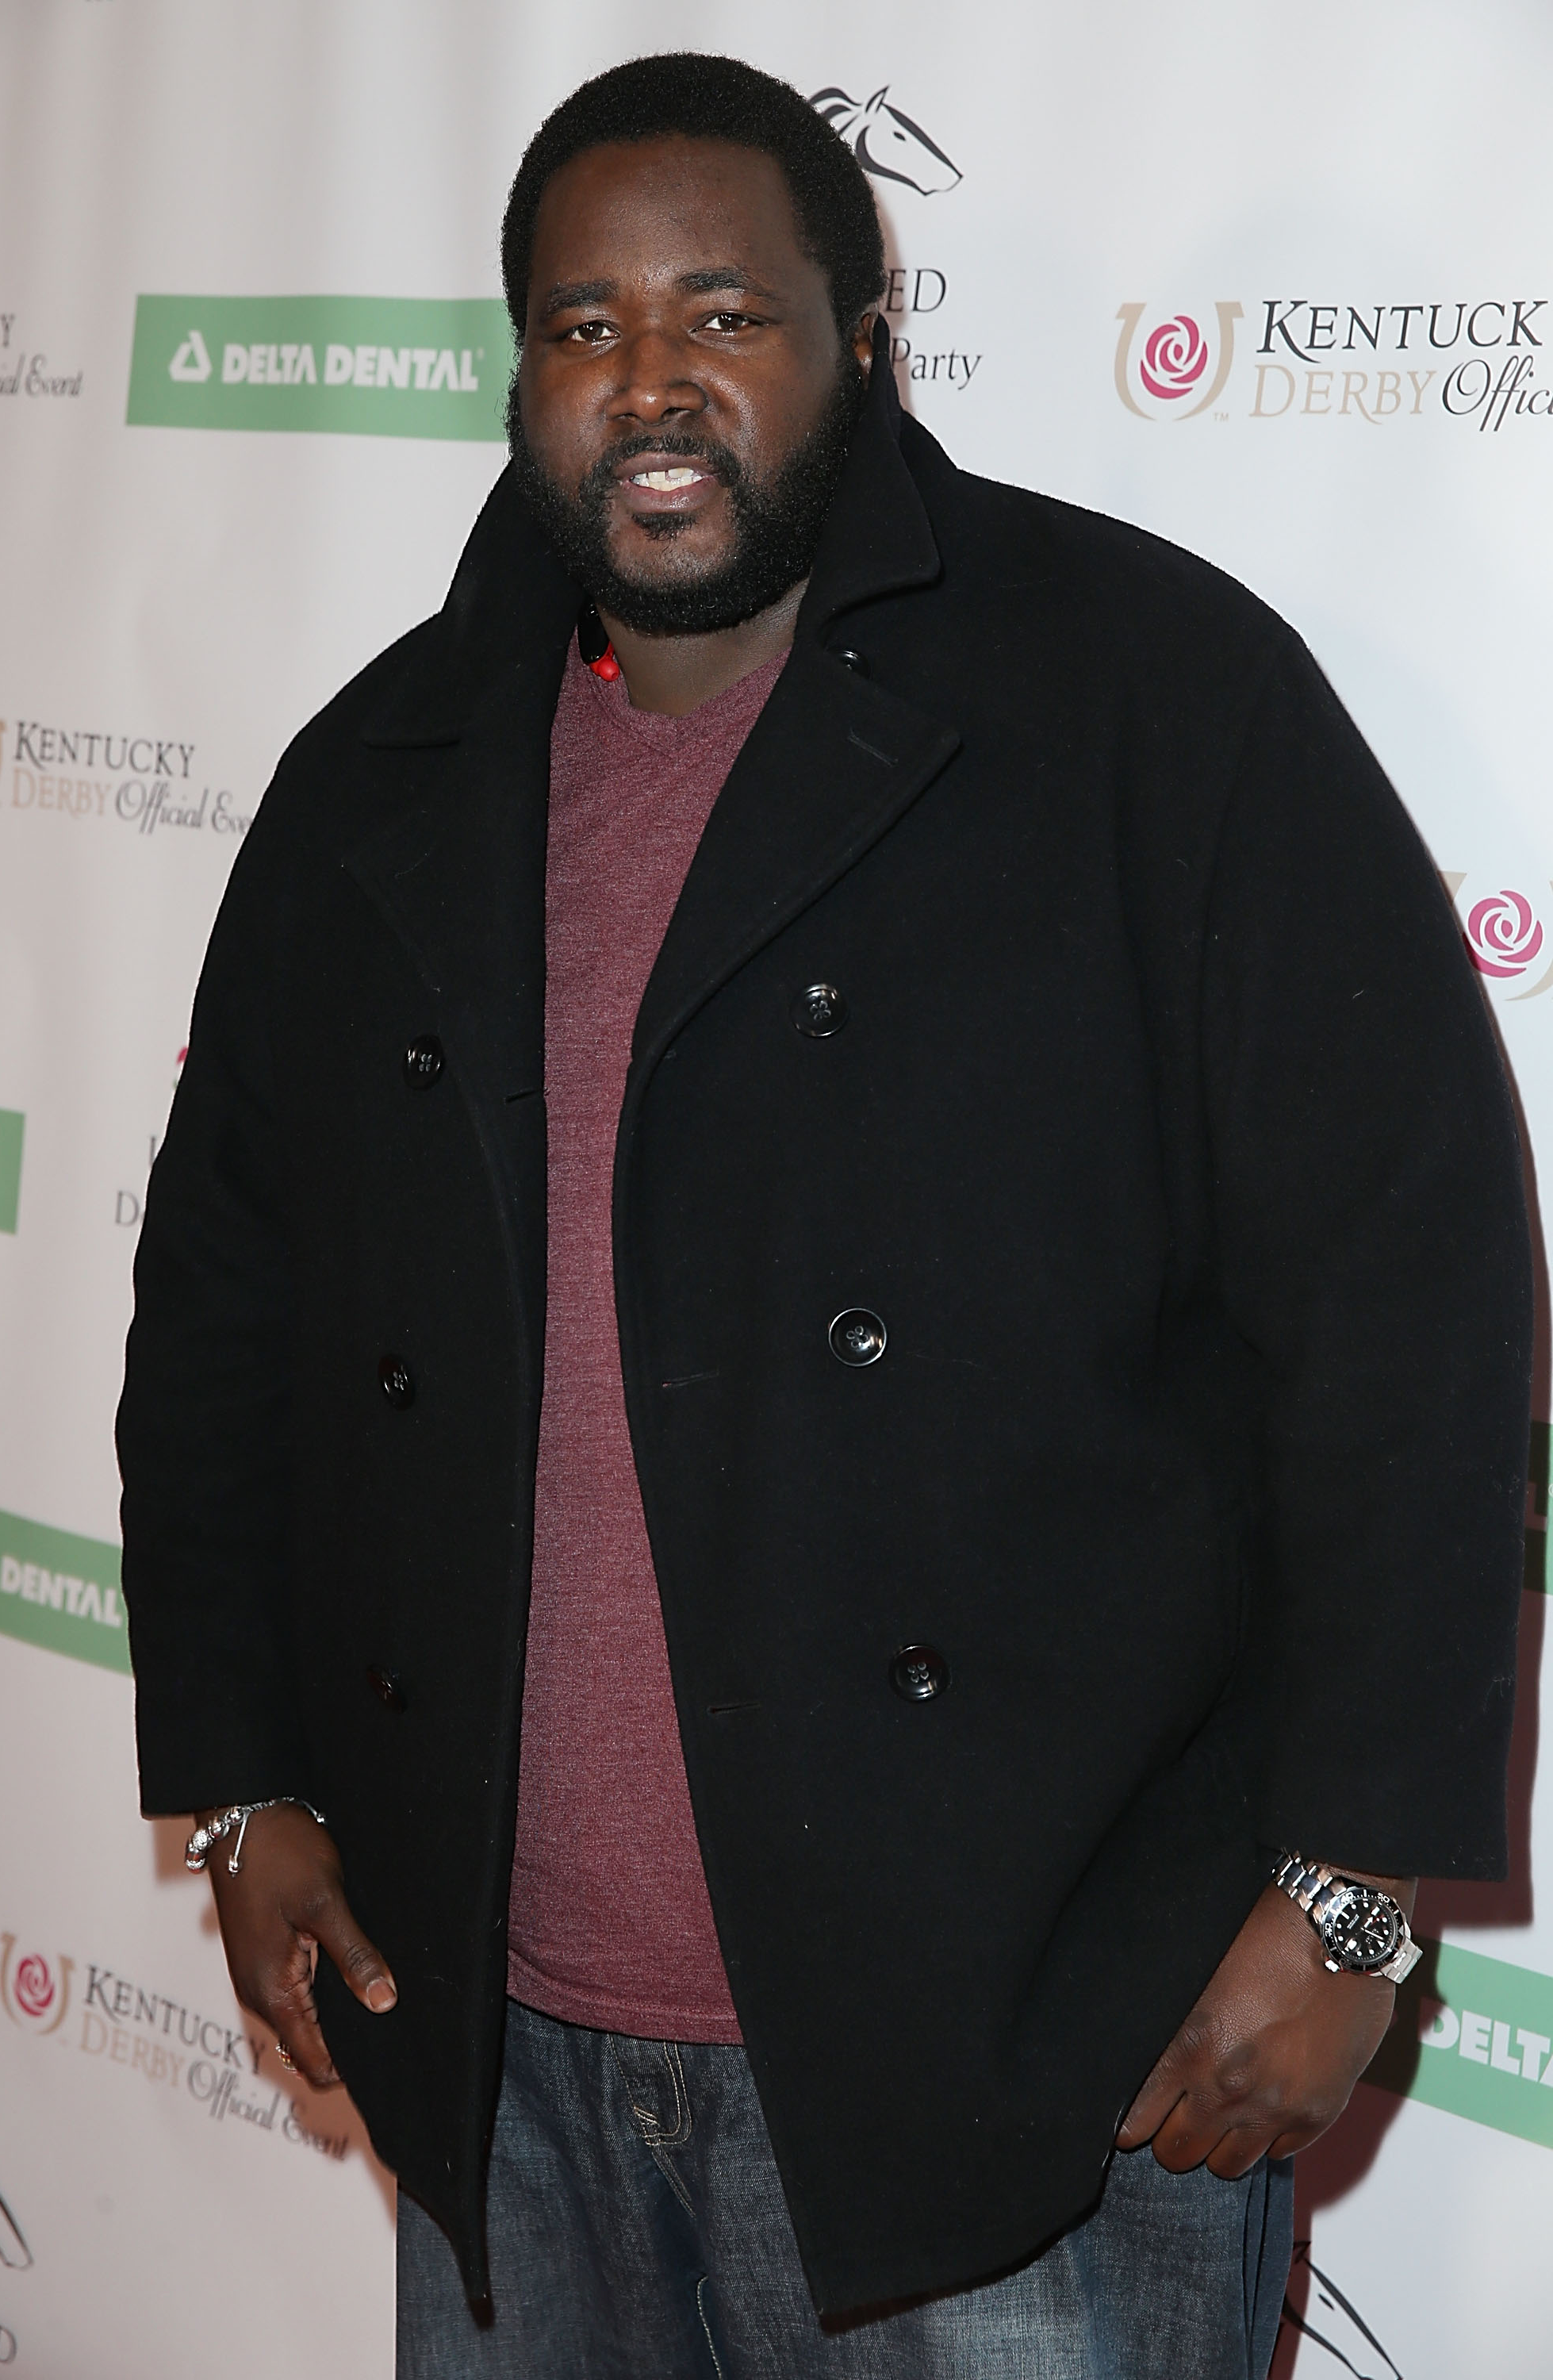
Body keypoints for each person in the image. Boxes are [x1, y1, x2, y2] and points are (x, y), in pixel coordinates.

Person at [116, 52, 1532, 2380]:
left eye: (724, 312)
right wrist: (243, 1774)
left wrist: (1355, 1895)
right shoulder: (380, 770)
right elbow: (223, 1309)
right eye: (585, 326)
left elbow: (1409, 1299)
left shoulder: (1150, 699)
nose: (652, 381)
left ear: (864, 335)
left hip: (1033, 2075)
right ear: (520, 373)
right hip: (502, 2063)